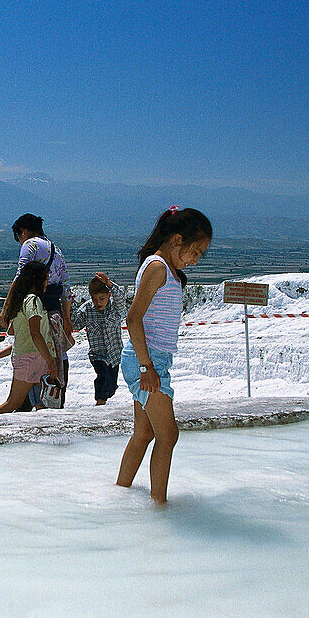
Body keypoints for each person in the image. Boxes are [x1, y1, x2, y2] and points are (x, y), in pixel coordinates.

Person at [116, 206, 212, 504]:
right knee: (168, 435)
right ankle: (159, 506)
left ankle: (118, 494)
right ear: (177, 240)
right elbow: (133, 319)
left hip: (152, 361)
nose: (195, 260)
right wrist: (146, 368)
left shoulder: (167, 269)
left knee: (144, 434)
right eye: (194, 252)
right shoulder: (158, 267)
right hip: (146, 361)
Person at [2, 214, 75, 398]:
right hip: (55, 310)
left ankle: (28, 399)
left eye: (18, 237)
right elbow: (66, 289)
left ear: (23, 232)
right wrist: (67, 319)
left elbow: (20, 276)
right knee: (56, 352)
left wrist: (7, 308)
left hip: (35, 307)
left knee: (33, 346)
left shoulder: (30, 245)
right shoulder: (57, 250)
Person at [0, 261, 59, 415]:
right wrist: (51, 362)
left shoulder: (21, 300)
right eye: (46, 278)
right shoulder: (33, 300)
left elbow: (13, 331)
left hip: (29, 356)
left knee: (41, 404)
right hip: (32, 357)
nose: (47, 282)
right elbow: (36, 333)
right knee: (13, 402)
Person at [71, 273, 126, 405]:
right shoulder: (87, 309)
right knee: (103, 376)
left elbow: (121, 297)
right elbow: (76, 325)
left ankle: (105, 396)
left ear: (109, 295)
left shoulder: (115, 308)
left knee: (111, 386)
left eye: (102, 298)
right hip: (98, 355)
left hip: (114, 354)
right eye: (95, 299)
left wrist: (109, 283)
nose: (98, 302)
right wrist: (71, 305)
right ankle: (99, 402)